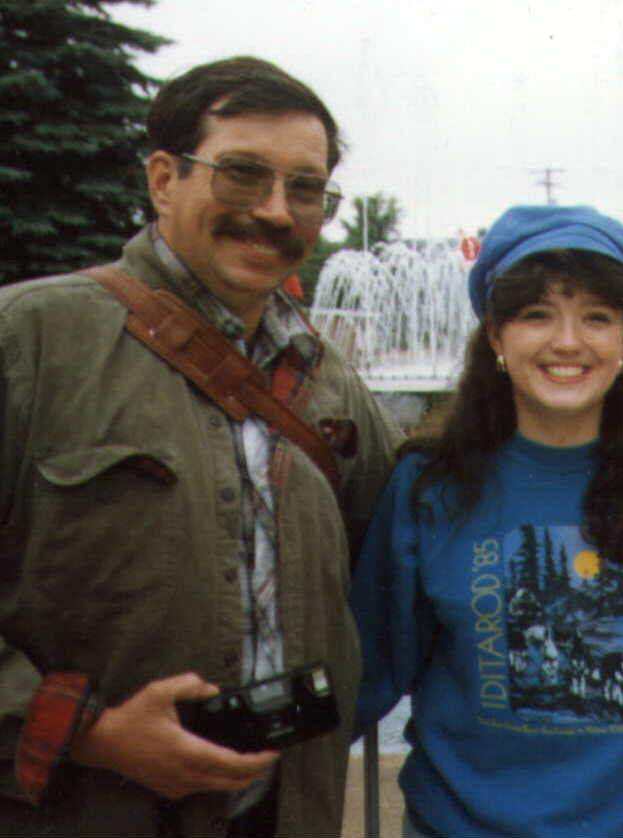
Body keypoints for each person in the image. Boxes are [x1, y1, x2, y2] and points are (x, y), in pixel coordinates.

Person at [0, 57, 402, 836]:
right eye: (243, 175)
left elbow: (418, 551)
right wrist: (87, 731)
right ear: (162, 180)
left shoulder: (329, 385)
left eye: (306, 188)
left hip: (284, 814)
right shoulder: (29, 341)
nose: (277, 213)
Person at [350, 204, 623, 837]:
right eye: (536, 316)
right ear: (496, 338)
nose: (568, 342)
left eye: (597, 318)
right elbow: (367, 667)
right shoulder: (431, 483)